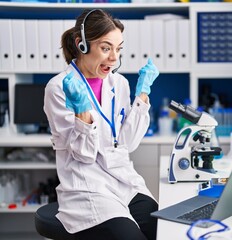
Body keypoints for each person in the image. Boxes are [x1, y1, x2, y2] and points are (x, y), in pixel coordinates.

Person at [43, 9, 159, 240]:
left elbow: (127, 143)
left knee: (161, 231)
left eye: (118, 48)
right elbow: (84, 155)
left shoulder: (119, 83)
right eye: (106, 48)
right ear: (81, 45)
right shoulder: (59, 88)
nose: (114, 58)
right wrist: (82, 114)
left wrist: (143, 96)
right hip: (87, 186)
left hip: (123, 181)